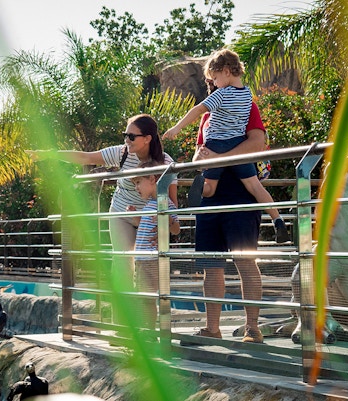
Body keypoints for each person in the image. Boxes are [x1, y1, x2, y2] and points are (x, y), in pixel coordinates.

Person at [28, 114, 178, 325]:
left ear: (148, 138)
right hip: (121, 213)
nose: (127, 140)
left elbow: (172, 205)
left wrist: (162, 227)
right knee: (122, 263)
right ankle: (122, 326)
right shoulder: (122, 153)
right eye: (125, 135)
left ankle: (148, 328)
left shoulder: (166, 162)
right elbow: (86, 158)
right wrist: (49, 154)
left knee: (147, 275)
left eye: (132, 136)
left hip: (149, 218)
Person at [163, 49, 290, 243]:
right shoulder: (247, 95)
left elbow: (198, 109)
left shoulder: (221, 95)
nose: (213, 83)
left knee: (210, 188)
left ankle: (201, 189)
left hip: (216, 144)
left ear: (226, 71)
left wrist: (177, 127)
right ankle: (278, 220)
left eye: (214, 78)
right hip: (238, 143)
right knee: (255, 186)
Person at [126, 160, 181, 330]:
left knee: (146, 297)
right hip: (142, 259)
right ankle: (146, 328)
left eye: (138, 182)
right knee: (142, 297)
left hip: (150, 259)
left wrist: (166, 219)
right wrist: (135, 216)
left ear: (151, 179)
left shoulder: (165, 204)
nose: (137, 188)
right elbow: (142, 225)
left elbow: (176, 229)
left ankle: (148, 330)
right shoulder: (149, 205)